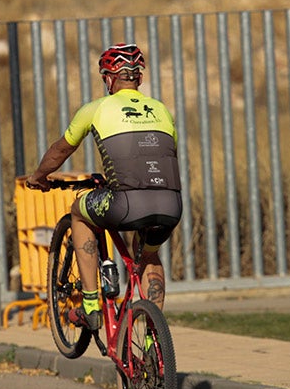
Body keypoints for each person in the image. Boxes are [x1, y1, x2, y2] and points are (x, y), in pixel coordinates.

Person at [26, 43, 182, 330]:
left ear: (109, 78)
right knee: (148, 254)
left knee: (78, 211)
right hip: (171, 203)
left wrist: (38, 177)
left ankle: (89, 305)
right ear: (140, 78)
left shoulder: (95, 108)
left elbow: (60, 151)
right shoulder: (162, 110)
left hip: (126, 202)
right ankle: (153, 336)